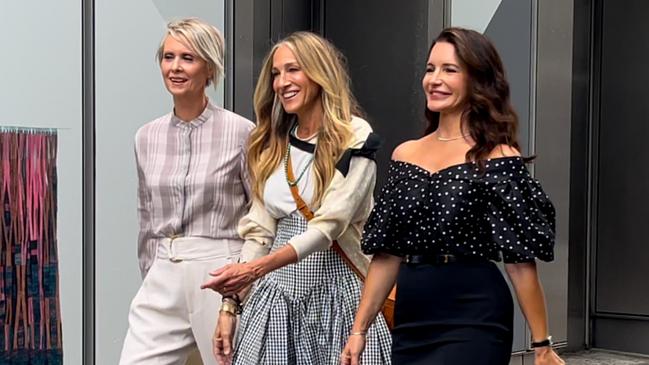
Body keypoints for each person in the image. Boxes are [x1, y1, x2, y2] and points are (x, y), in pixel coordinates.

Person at [341, 27, 566, 365]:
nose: (435, 79)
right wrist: (359, 331)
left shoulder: (499, 158)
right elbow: (387, 255)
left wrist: (542, 344)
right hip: (412, 317)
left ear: (478, 80)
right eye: (430, 69)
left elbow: (520, 264)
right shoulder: (405, 155)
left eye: (450, 69)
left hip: (474, 313)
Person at [200, 31, 392, 365]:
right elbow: (259, 233)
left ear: (320, 74)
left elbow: (328, 226)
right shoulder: (271, 143)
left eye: (293, 70)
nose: (281, 82)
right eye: (276, 73)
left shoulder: (355, 136)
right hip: (276, 300)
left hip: (339, 294)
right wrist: (230, 305)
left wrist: (255, 269)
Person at [119, 18, 254, 365]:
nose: (175, 67)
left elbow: (260, 216)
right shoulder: (145, 136)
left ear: (209, 69)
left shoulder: (242, 133)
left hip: (220, 270)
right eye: (168, 57)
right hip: (163, 269)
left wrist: (241, 284)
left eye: (187, 58)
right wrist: (152, 271)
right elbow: (146, 216)